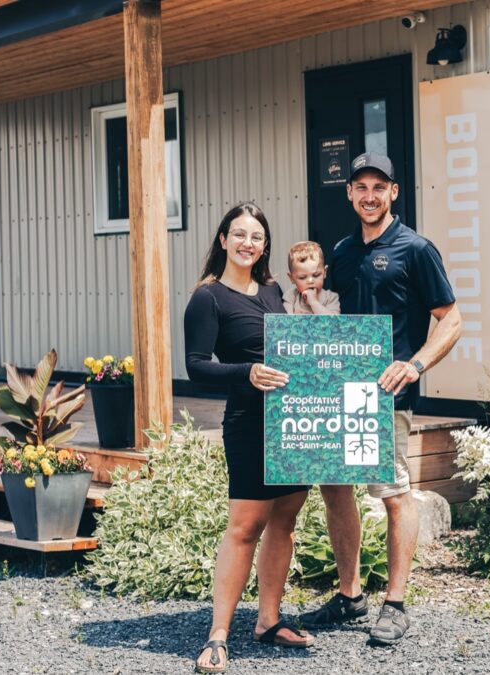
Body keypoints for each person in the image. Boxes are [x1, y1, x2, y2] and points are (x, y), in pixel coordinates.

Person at [298, 153, 462, 645]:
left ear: (393, 192)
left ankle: (395, 602)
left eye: (379, 186)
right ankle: (350, 597)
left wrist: (414, 364)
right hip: (339, 393)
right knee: (334, 489)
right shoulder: (343, 251)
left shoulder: (416, 249)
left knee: (393, 494)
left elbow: (450, 320)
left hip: (387, 396)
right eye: (360, 186)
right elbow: (327, 312)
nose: (369, 195)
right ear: (349, 193)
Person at [184, 202, 314, 673]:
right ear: (223, 240)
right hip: (248, 423)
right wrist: (248, 372)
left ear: (265, 246)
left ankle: (268, 621)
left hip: (292, 422)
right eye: (238, 234)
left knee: (285, 520)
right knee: (244, 528)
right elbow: (196, 367)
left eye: (256, 237)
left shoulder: (275, 290)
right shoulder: (209, 297)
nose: (247, 243)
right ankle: (218, 635)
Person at [283, 241, 340, 316]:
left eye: (316, 275)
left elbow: (333, 323)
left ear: (324, 272)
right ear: (292, 278)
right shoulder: (291, 297)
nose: (310, 281)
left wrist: (314, 302)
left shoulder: (331, 298)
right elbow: (285, 323)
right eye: (302, 277)